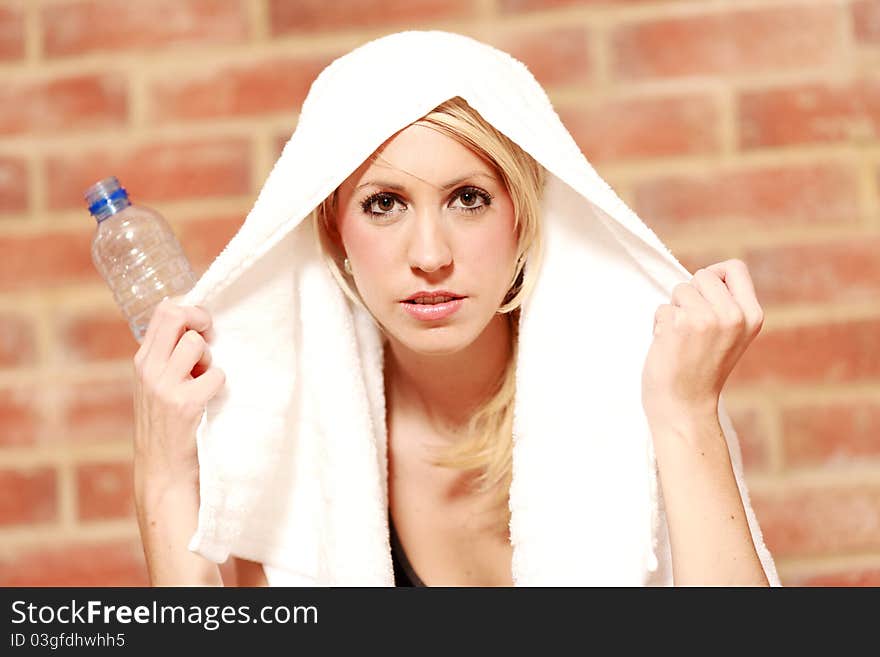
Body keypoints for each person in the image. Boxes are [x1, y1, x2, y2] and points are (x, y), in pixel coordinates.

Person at [132, 33, 776, 587]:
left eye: (468, 198)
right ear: (334, 234)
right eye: (384, 203)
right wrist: (163, 480)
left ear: (523, 220)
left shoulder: (635, 387)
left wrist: (688, 417)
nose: (430, 254)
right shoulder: (296, 434)